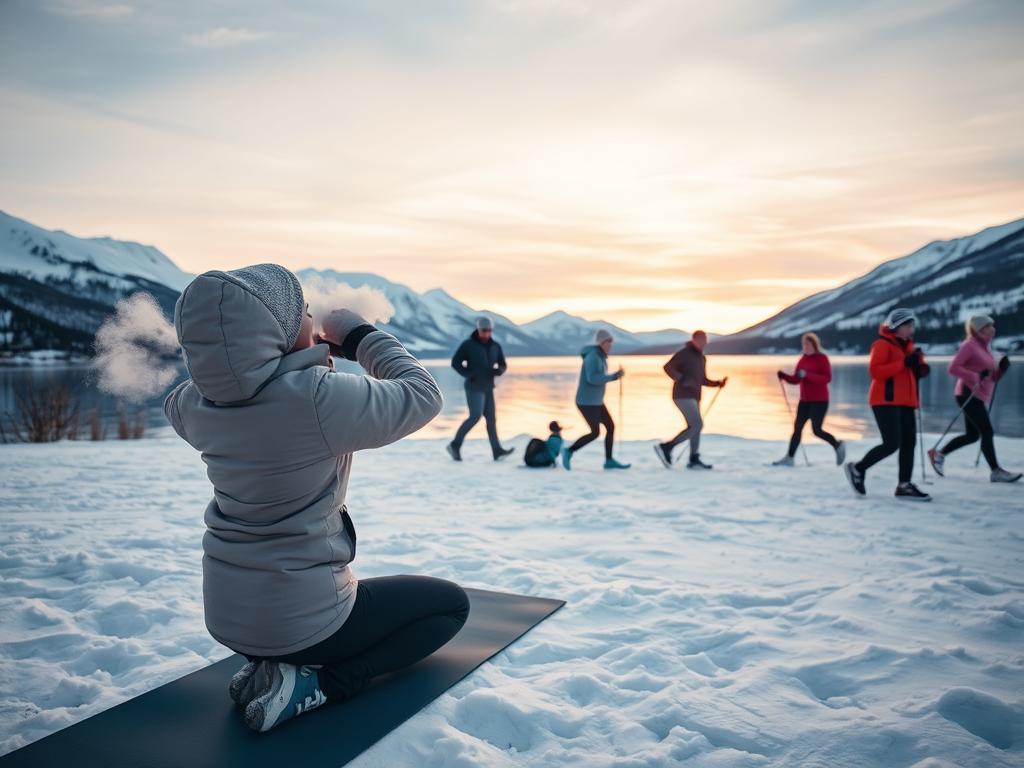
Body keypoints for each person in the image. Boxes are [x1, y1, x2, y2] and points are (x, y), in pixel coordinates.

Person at [163, 265, 468, 733]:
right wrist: (362, 336)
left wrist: (304, 359)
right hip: (301, 620)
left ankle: (275, 664)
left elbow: (242, 387)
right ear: (278, 331)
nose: (313, 313)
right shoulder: (319, 400)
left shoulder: (192, 404)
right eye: (303, 310)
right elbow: (423, 395)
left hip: (228, 615)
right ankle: (329, 683)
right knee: (448, 605)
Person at [844, 308, 932, 501]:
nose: (912, 329)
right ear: (897, 327)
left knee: (909, 443)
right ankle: (857, 468)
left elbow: (913, 372)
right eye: (908, 325)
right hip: (885, 400)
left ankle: (904, 485)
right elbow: (876, 372)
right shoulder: (882, 344)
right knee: (892, 443)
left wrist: (921, 367)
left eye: (912, 325)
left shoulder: (910, 347)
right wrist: (904, 363)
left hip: (907, 402)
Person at [928, 315, 1019, 483]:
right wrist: (976, 376)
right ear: (980, 329)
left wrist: (1002, 369)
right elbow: (953, 368)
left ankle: (938, 454)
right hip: (967, 394)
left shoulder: (986, 348)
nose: (994, 328)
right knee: (987, 432)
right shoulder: (969, 345)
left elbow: (991, 378)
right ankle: (996, 471)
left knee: (972, 435)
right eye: (989, 325)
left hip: (978, 395)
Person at [654, 329, 726, 470]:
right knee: (697, 425)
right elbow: (667, 367)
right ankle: (666, 447)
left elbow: (702, 380)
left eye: (705, 339)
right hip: (682, 395)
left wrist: (717, 384)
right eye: (701, 339)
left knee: (695, 427)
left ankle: (694, 458)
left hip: (694, 396)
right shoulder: (684, 354)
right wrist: (681, 379)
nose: (704, 342)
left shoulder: (701, 358)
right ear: (694, 340)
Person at [772, 332, 846, 466]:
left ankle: (837, 445)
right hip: (804, 401)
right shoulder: (802, 360)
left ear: (814, 344)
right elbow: (796, 379)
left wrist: (808, 375)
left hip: (820, 401)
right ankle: (789, 458)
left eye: (808, 343)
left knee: (817, 430)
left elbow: (826, 378)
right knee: (797, 429)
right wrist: (784, 376)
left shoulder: (822, 358)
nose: (805, 346)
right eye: (804, 344)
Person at [447, 316, 515, 462]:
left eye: (489, 330)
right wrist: (468, 374)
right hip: (474, 387)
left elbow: (503, 364)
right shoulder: (468, 345)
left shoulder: (495, 346)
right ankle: (454, 445)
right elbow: (455, 362)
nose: (487, 333)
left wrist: (499, 371)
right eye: (484, 330)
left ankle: (497, 451)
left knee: (491, 419)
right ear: (478, 330)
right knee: (475, 416)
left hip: (488, 387)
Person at [562, 329, 629, 470]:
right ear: (601, 342)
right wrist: (613, 376)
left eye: (612, 342)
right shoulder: (593, 356)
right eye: (608, 342)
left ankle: (609, 461)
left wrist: (614, 376)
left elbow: (598, 377)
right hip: (586, 402)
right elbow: (592, 378)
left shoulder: (601, 357)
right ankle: (569, 451)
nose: (611, 345)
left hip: (596, 401)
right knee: (595, 432)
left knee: (610, 426)